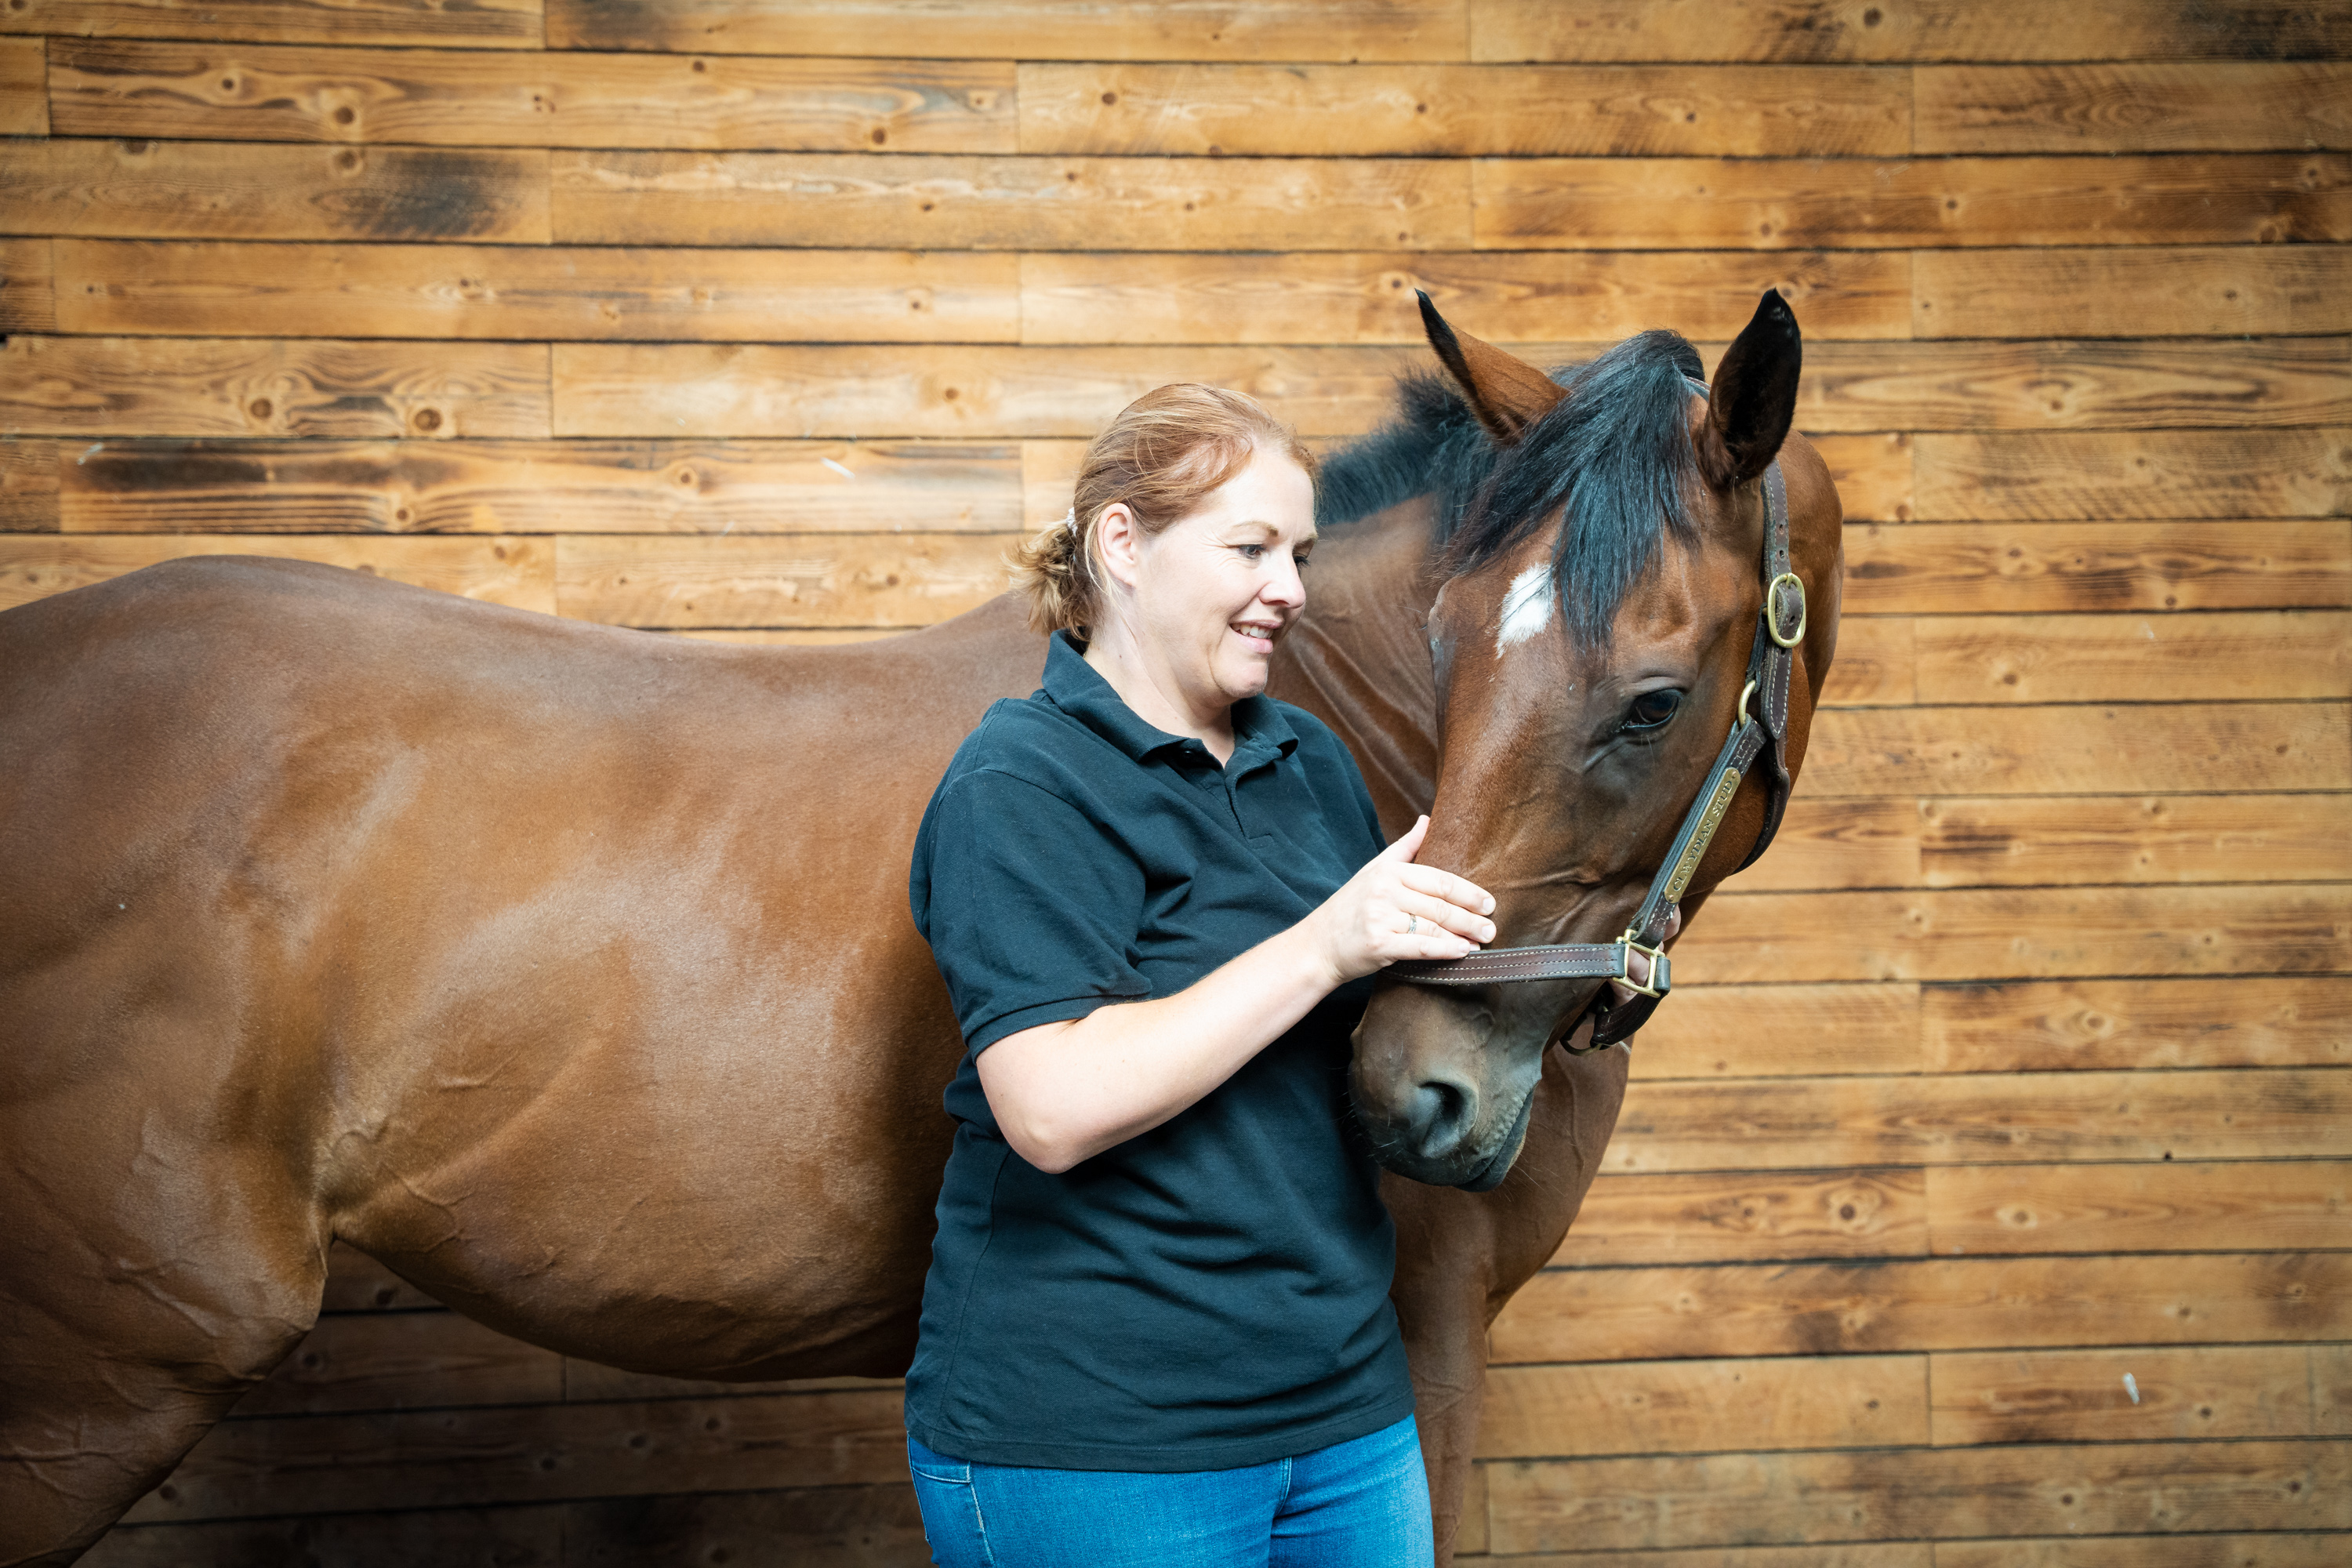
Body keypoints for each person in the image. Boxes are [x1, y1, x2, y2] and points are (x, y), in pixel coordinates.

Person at [902, 384, 1497, 1568]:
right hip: (1101, 1441)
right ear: (1123, 545)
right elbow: (1052, 1109)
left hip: (1346, 1418)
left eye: (1300, 554)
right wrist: (1325, 944)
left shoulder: (1305, 757)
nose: (1292, 587)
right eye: (1251, 549)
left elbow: (1345, 1038)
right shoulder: (1021, 782)